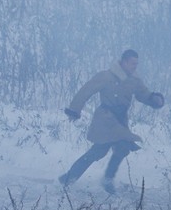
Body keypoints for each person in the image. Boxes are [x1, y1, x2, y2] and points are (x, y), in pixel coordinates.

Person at [59, 49, 165, 194]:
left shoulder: (134, 80)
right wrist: (74, 110)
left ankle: (107, 180)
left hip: (120, 121)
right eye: (133, 63)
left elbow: (143, 94)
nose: (135, 66)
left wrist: (154, 99)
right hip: (105, 120)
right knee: (98, 151)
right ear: (124, 61)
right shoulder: (106, 76)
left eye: (136, 64)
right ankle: (68, 179)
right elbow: (86, 91)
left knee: (122, 147)